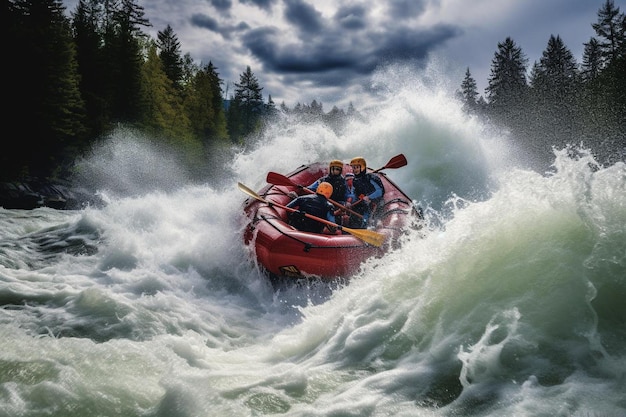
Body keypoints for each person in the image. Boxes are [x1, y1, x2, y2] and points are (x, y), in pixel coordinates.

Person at [346, 157, 384, 228]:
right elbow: (353, 193)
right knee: (355, 212)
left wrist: (369, 197)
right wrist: (349, 202)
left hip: (376, 201)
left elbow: (380, 191)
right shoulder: (355, 180)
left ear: (362, 167)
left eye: (357, 167)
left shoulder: (371, 178)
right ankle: (353, 228)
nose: (355, 170)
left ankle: (372, 225)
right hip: (363, 202)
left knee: (372, 218)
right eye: (353, 168)